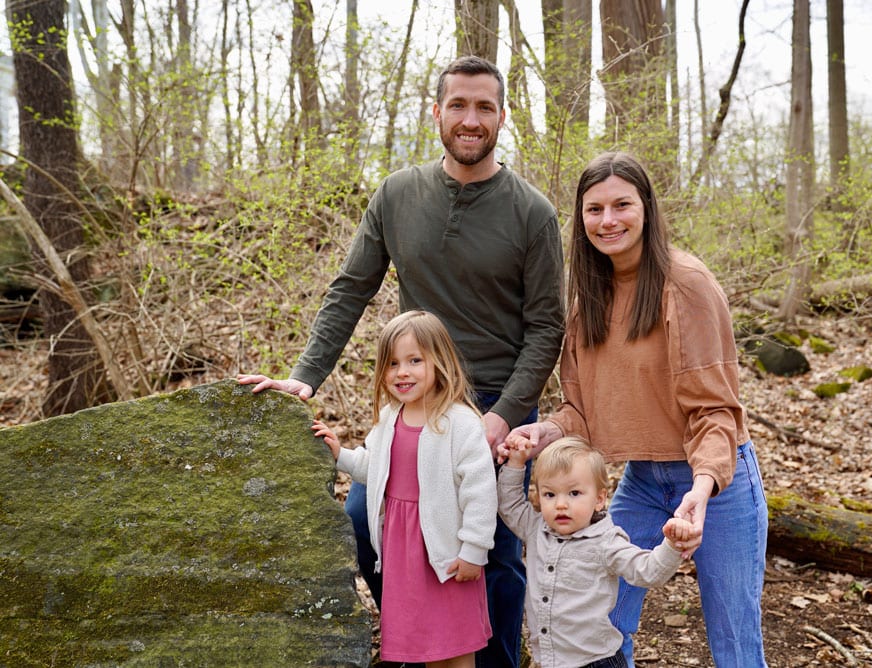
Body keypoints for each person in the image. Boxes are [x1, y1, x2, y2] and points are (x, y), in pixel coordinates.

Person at [237, 55, 564, 668]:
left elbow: (548, 328)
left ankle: (492, 659)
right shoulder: (398, 193)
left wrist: (505, 415)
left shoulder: (533, 214)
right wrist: (305, 377)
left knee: (491, 551)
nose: (471, 119)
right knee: (367, 522)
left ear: (501, 116)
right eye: (459, 106)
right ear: (437, 113)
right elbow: (350, 289)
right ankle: (426, 641)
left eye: (485, 107)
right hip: (418, 398)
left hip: (497, 402)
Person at [502, 152, 768, 667]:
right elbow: (582, 409)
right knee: (602, 623)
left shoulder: (685, 285)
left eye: (622, 205)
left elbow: (716, 412)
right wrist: (544, 432)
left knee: (733, 641)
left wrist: (702, 487)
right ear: (580, 220)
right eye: (594, 209)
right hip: (642, 481)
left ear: (645, 207)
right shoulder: (588, 299)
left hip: (719, 481)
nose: (609, 220)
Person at [312, 310, 497, 667]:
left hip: (445, 551)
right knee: (423, 645)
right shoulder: (390, 418)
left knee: (456, 646)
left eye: (414, 360)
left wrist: (474, 548)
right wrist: (340, 454)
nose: (402, 372)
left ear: (439, 362)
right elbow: (376, 469)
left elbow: (480, 490)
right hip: (403, 551)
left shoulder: (459, 421)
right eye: (393, 363)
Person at [498, 435, 693, 668]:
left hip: (596, 662)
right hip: (549, 661)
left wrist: (672, 545)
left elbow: (648, 571)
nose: (561, 504)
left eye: (574, 493)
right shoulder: (535, 528)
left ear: (599, 499)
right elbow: (509, 505)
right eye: (550, 494)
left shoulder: (606, 542)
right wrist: (515, 464)